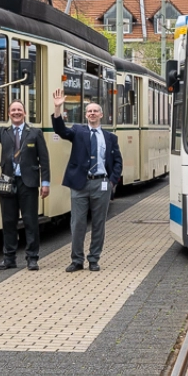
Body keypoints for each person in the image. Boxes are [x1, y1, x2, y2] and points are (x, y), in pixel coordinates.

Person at [0, 94, 51, 270]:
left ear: (24, 113)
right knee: (8, 221)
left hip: (28, 183)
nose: (16, 113)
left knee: (31, 221)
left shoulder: (35, 133)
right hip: (8, 183)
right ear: (8, 113)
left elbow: (44, 160)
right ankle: (9, 259)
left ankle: (32, 258)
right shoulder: (3, 132)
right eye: (13, 110)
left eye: (19, 110)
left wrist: (45, 183)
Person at [51, 88, 122, 272]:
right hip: (80, 184)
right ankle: (77, 260)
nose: (92, 113)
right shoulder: (77, 131)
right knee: (78, 223)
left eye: (95, 111)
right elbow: (60, 130)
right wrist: (58, 109)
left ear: (101, 114)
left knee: (99, 224)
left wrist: (112, 181)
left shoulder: (110, 138)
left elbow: (117, 163)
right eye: (89, 111)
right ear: (86, 115)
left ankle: (94, 259)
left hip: (102, 184)